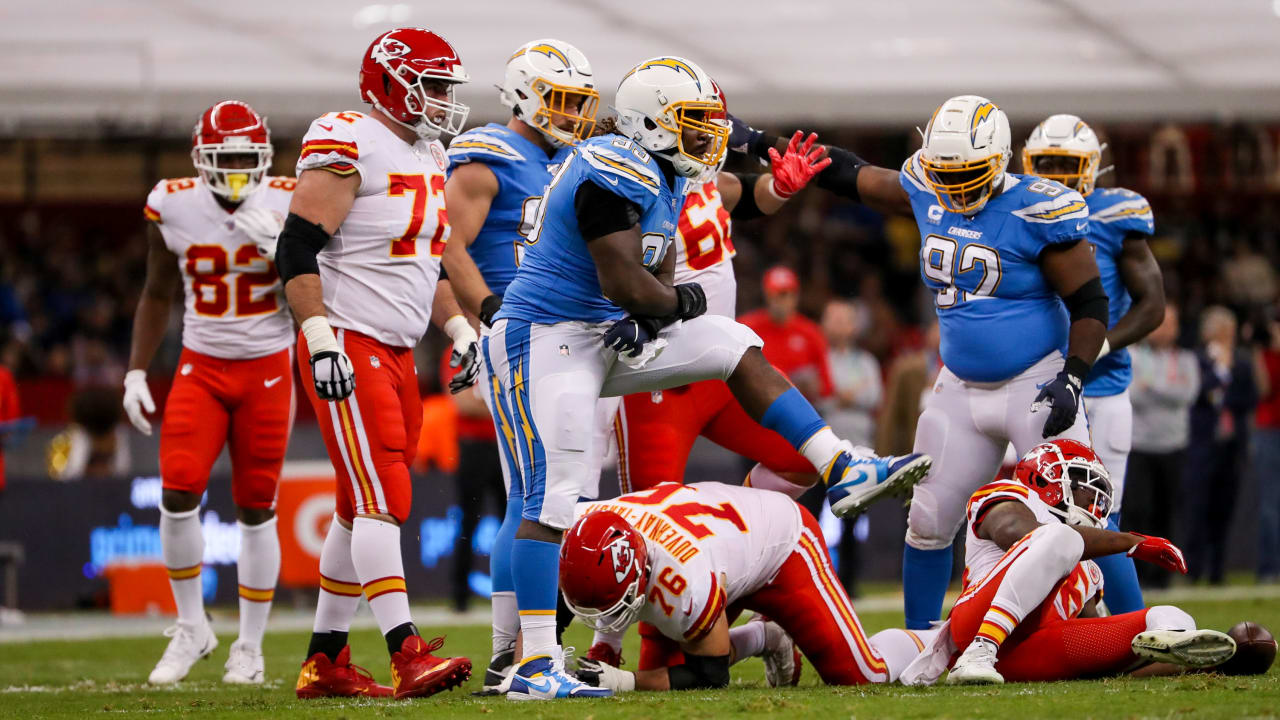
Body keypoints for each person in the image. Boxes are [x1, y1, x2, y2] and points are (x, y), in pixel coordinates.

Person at [487, 56, 930, 700]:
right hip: (544, 337)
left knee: (731, 341)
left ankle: (842, 464)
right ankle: (532, 663)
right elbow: (624, 278)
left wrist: (659, 313)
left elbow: (657, 270)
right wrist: (673, 305)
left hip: (601, 333)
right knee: (552, 498)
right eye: (692, 121)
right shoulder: (612, 165)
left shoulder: (666, 173)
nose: (708, 134)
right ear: (650, 122)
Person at [732, 96, 1109, 629]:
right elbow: (846, 173)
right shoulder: (925, 188)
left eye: (968, 174)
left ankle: (1111, 625)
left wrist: (1073, 374)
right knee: (928, 521)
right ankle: (919, 641)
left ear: (999, 161)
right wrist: (755, 141)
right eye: (943, 174)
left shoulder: (1037, 210)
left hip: (1036, 382)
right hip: (958, 385)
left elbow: (1090, 300)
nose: (953, 187)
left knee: (1072, 515)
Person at [279, 28, 479, 700]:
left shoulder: (429, 151)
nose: (444, 99)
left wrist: (458, 327)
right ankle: (405, 652)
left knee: (354, 504)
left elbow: (425, 263)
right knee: (383, 495)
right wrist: (319, 336)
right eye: (434, 85)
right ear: (391, 83)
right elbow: (295, 246)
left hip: (396, 348)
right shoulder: (348, 138)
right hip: (348, 340)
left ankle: (326, 660)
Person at [439, 38, 608, 692]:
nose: (572, 114)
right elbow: (445, 241)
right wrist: (487, 311)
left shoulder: (568, 160)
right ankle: (517, 653)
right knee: (536, 494)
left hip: (565, 338)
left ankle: (514, 652)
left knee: (541, 493)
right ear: (524, 95)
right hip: (522, 337)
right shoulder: (491, 155)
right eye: (560, 100)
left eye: (579, 102)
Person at [125, 101, 294, 686]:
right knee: (176, 491)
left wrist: (288, 251)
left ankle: (249, 646)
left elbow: (328, 284)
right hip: (201, 363)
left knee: (257, 505)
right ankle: (192, 627)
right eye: (227, 159)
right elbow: (156, 291)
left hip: (268, 365)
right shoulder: (172, 203)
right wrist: (135, 372)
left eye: (248, 159)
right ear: (201, 159)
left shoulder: (290, 199)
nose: (239, 170)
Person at [901, 439, 1235, 686]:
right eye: (1086, 486)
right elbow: (1016, 532)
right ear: (1045, 478)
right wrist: (1131, 541)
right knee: (1061, 537)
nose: (1094, 501)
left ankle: (1189, 653)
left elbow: (1090, 631)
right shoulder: (1010, 496)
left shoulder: (1087, 566)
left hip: (1031, 651)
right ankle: (981, 650)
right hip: (973, 629)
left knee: (1170, 616)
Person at [561, 482, 924, 691]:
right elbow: (599, 569)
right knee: (662, 675)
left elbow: (710, 674)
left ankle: (939, 638)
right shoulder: (579, 525)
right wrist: (604, 649)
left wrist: (622, 680)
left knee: (862, 674)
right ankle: (767, 635)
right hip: (721, 550)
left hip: (782, 547)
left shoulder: (684, 582)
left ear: (643, 575)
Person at [1023, 114, 1165, 613]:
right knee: (1039, 517)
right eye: (1047, 164)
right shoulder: (1020, 209)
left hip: (1100, 388)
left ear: (1092, 166)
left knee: (1099, 514)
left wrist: (1097, 348)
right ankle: (1066, 619)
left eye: (1066, 164)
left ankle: (1133, 626)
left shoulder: (1114, 215)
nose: (1056, 175)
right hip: (1034, 387)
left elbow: (1153, 305)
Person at [1126, 303, 1199, 588]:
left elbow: (1187, 394)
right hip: (1139, 446)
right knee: (1138, 510)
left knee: (1167, 511)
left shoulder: (1186, 359)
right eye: (1161, 322)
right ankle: (1139, 574)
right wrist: (1167, 391)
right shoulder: (1133, 356)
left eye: (1170, 323)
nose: (1165, 329)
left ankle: (1164, 574)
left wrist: (1152, 387)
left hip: (1173, 446)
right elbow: (1133, 395)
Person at [1185, 306, 1257, 584]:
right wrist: (1221, 373)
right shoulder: (1197, 360)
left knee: (1224, 509)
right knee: (1198, 508)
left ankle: (1218, 570)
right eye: (1223, 332)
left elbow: (1248, 398)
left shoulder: (1242, 362)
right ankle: (1193, 570)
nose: (1229, 338)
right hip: (1202, 446)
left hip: (1231, 446)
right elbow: (1199, 393)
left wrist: (1224, 386)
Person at [439, 349, 504, 613]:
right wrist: (501, 405)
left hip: (504, 445)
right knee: (468, 520)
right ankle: (460, 595)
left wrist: (485, 403)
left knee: (512, 521)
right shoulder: (458, 352)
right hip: (473, 446)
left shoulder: (499, 344)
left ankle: (512, 591)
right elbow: (462, 403)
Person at [738, 266, 834, 405]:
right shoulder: (747, 326)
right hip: (756, 403)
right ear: (766, 296)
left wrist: (813, 386)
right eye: (775, 295)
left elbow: (827, 386)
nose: (780, 301)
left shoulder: (810, 332)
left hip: (798, 405)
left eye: (785, 295)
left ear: (795, 297)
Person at [1254, 312, 1280, 582]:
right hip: (1269, 431)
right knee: (1270, 504)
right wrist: (1259, 352)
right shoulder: (1263, 354)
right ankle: (1270, 568)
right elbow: (1263, 389)